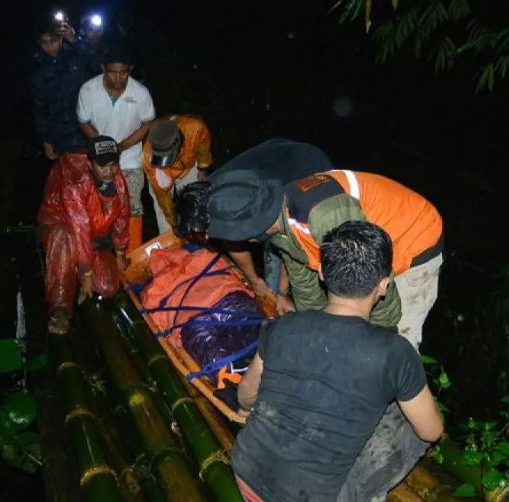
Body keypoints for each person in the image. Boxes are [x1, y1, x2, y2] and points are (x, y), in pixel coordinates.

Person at [231, 221, 443, 502]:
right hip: (309, 497)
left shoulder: (282, 326)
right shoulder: (395, 353)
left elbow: (246, 395)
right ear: (383, 285)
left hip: (245, 471)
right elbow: (432, 432)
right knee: (412, 425)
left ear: (320, 273)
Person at [207, 169, 443, 347]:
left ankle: (396, 402)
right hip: (367, 247)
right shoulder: (276, 221)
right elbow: (304, 278)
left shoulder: (324, 216)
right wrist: (315, 329)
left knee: (395, 344)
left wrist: (380, 338)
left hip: (413, 238)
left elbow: (372, 276)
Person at [175, 138, 333, 297]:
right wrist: (253, 279)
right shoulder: (208, 194)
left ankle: (279, 292)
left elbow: (291, 240)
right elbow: (231, 236)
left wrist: (281, 291)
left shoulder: (231, 199)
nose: (207, 235)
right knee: (267, 234)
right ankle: (272, 287)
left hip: (309, 172)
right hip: (275, 161)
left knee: (302, 253)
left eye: (204, 229)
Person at [38, 136, 130, 334]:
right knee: (65, 237)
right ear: (89, 163)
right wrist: (86, 271)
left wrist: (121, 252)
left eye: (113, 165)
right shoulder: (75, 180)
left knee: (107, 286)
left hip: (94, 236)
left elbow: (122, 217)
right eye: (102, 165)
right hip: (64, 227)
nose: (109, 171)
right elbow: (80, 227)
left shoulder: (118, 180)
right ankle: (60, 307)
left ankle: (78, 269)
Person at [77, 44, 155, 252]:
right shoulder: (88, 90)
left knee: (132, 206)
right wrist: (103, 145)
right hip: (100, 159)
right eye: (113, 72)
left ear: (130, 70)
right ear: (103, 68)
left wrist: (120, 147)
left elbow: (147, 123)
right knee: (97, 204)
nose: (118, 78)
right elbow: (83, 121)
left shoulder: (140, 93)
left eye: (123, 73)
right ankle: (99, 253)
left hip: (130, 157)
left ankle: (132, 256)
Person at [30, 12, 89, 160]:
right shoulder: (37, 71)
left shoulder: (76, 55)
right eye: (44, 42)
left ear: (61, 37)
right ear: (38, 43)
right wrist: (46, 139)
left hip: (89, 130)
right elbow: (39, 110)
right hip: (61, 137)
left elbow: (99, 63)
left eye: (54, 40)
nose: (50, 47)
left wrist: (75, 40)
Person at [143, 115, 213, 234]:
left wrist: (202, 168)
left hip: (188, 165)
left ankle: (200, 234)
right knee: (162, 211)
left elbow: (204, 147)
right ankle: (168, 239)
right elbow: (163, 197)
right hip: (163, 172)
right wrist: (173, 223)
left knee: (196, 200)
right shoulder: (148, 158)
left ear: (179, 143)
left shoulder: (195, 128)